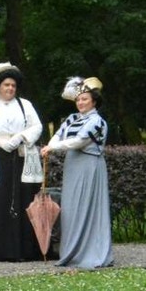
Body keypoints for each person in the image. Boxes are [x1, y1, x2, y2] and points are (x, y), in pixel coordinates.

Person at [0, 62, 44, 261]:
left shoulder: (25, 105)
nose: (10, 88)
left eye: (13, 85)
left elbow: (37, 126)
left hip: (22, 156)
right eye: (6, 85)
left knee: (24, 198)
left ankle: (25, 249)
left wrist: (21, 136)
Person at [46, 77, 113, 269]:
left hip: (89, 165)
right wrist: (51, 145)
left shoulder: (97, 122)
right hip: (72, 165)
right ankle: (72, 252)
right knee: (71, 208)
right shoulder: (72, 119)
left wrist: (54, 148)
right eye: (78, 100)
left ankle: (91, 252)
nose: (81, 103)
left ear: (94, 101)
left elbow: (80, 141)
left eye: (85, 99)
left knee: (87, 206)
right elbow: (58, 135)